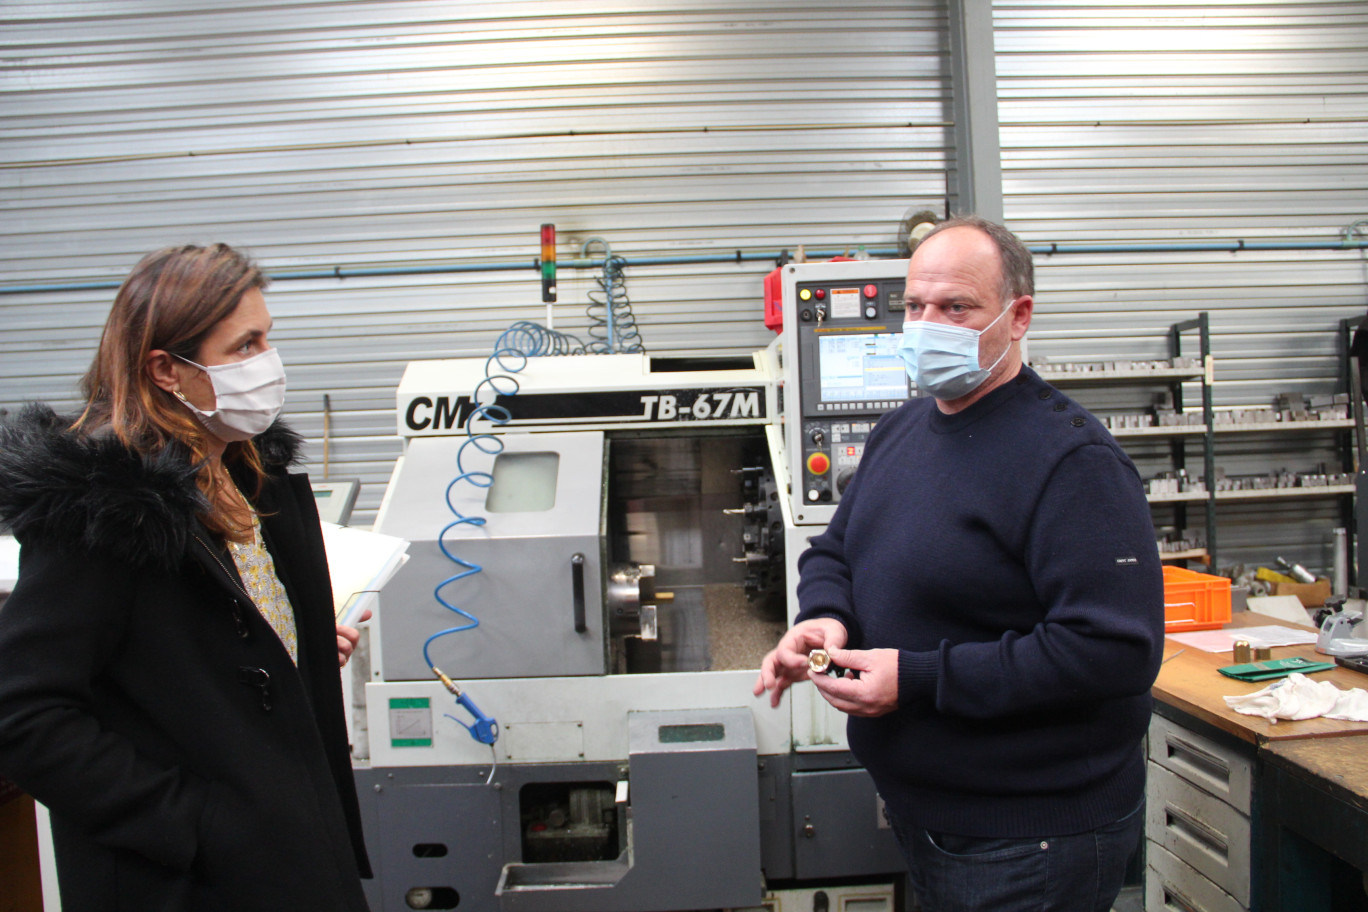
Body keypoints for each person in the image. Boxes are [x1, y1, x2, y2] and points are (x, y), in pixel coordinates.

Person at [754, 216, 1164, 912]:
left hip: (1029, 840)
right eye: (915, 307)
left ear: (1018, 315)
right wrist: (822, 617)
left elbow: (1114, 649)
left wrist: (916, 679)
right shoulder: (903, 429)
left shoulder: (1072, 461)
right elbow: (836, 550)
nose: (927, 325)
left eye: (956, 307)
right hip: (931, 819)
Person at [0, 244, 373, 911]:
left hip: (287, 854)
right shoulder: (103, 509)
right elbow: (24, 714)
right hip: (194, 883)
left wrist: (297, 647)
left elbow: (203, 651)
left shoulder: (242, 475)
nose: (268, 363)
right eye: (244, 346)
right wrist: (192, 823)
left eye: (268, 339)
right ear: (166, 369)